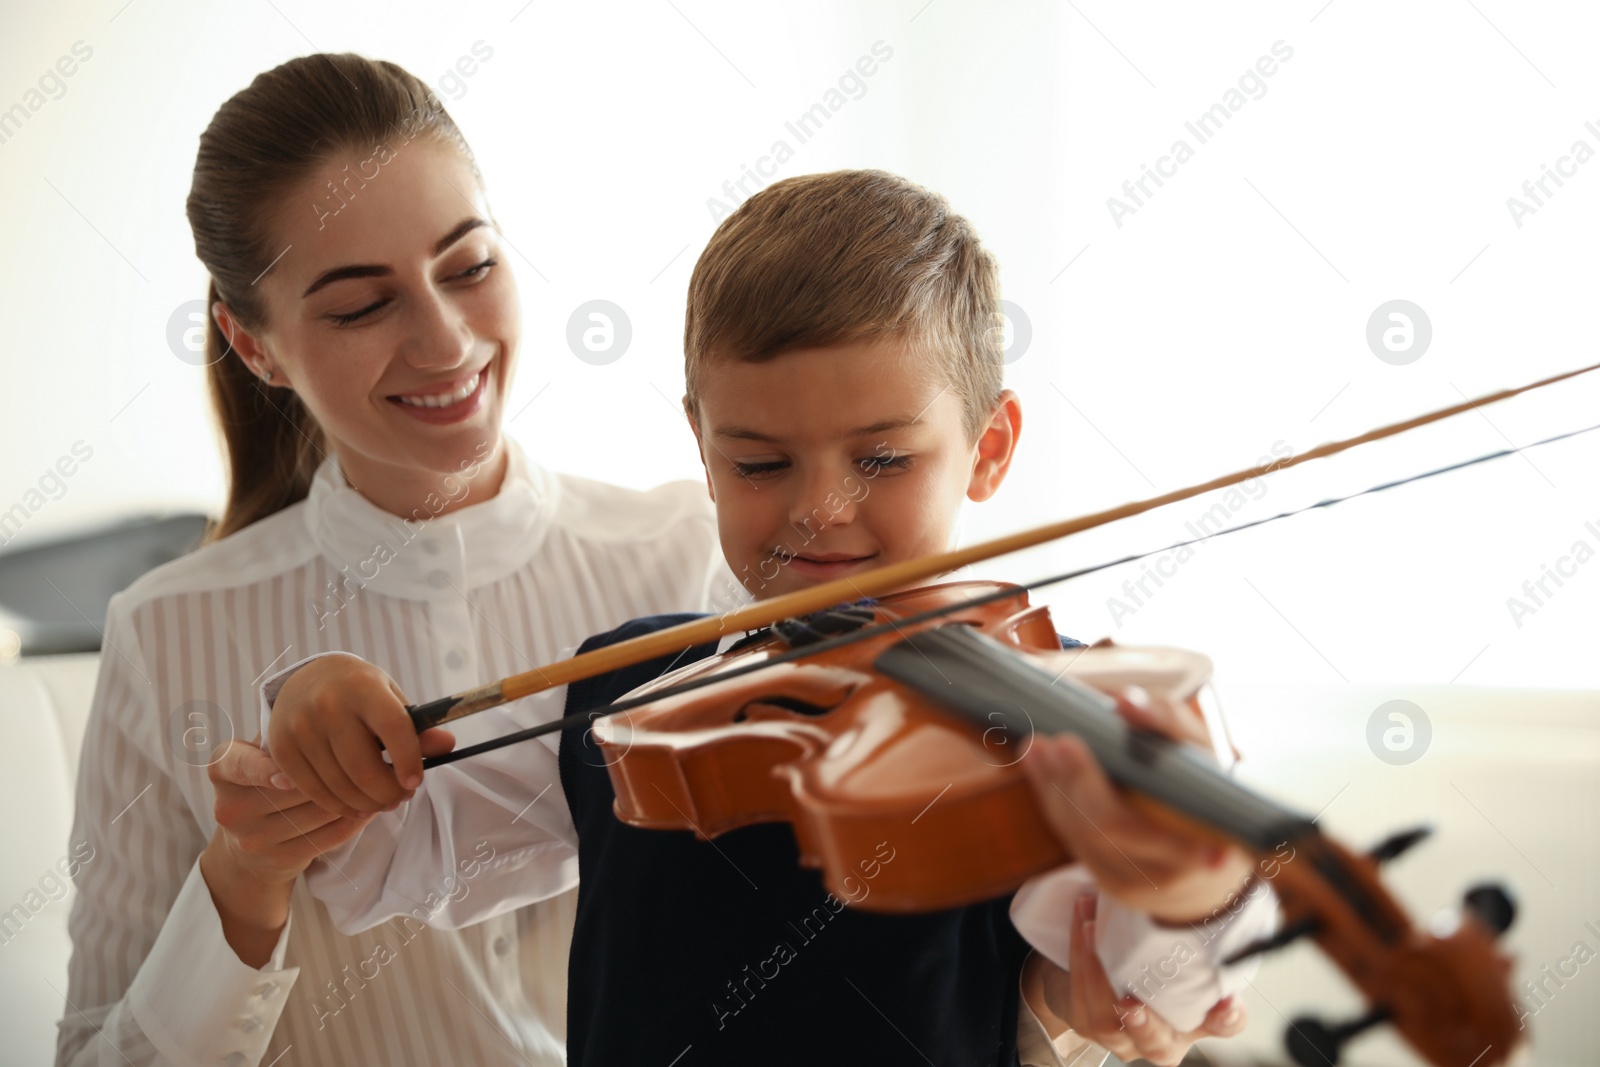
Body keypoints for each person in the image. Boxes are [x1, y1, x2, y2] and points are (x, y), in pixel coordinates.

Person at [263, 170, 1278, 1066]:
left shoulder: (1042, 728)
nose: (818, 510)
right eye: (758, 462)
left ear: (989, 446)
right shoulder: (631, 698)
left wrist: (1188, 897)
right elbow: (389, 858)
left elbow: (1174, 971)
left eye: (881, 458)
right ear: (701, 446)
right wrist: (321, 712)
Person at [57, 53, 728, 1066]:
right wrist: (242, 875)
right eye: (361, 306)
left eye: (469, 266)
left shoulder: (695, 555)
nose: (447, 340)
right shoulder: (163, 631)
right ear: (256, 347)